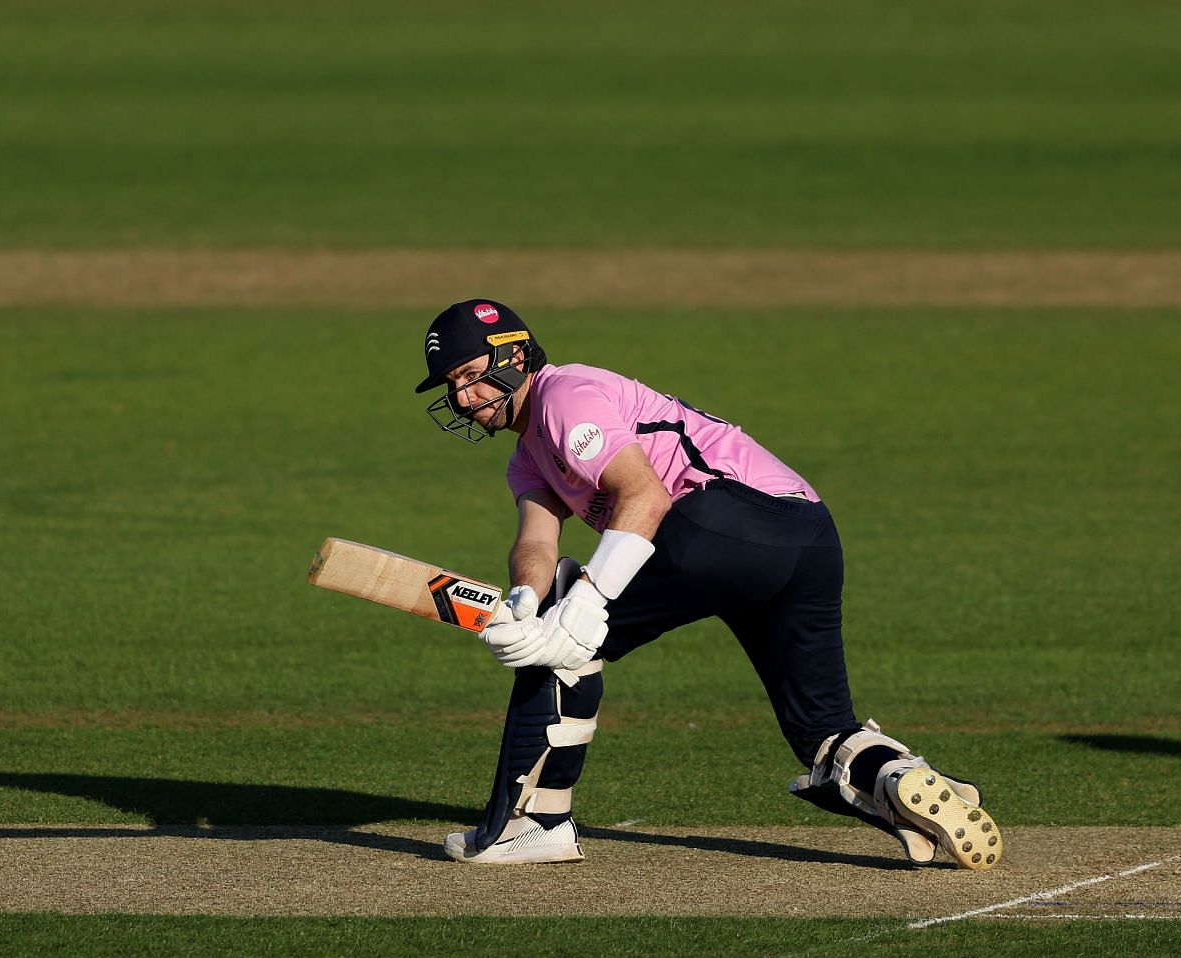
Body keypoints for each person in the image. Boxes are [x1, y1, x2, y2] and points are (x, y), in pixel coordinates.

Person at [412, 298, 1001, 870]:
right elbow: (537, 544)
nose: (463, 398)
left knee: (566, 646)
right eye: (451, 386)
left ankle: (532, 825)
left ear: (513, 355)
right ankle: (901, 781)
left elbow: (646, 494)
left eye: (470, 375)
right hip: (808, 535)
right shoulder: (528, 455)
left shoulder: (564, 395)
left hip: (721, 523)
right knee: (822, 731)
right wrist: (524, 601)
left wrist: (584, 604)